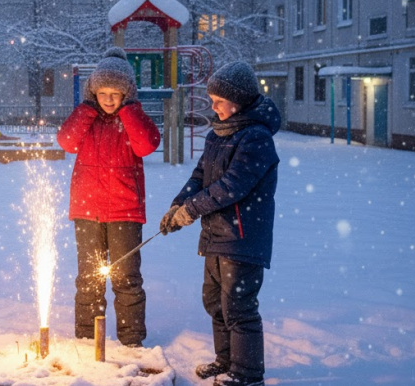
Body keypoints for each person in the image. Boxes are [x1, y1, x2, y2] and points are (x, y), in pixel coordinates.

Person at [160, 61, 280, 386]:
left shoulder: (256, 139)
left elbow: (231, 186)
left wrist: (191, 210)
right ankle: (226, 360)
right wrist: (177, 204)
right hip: (215, 236)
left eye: (218, 101)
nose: (212, 106)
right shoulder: (218, 134)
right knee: (214, 302)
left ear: (238, 101)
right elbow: (200, 175)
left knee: (238, 306)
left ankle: (247, 374)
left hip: (242, 239)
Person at [57, 47, 161, 347]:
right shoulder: (87, 118)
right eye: (102, 92)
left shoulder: (132, 118)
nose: (109, 99)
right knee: (89, 279)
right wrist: (86, 109)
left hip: (124, 211)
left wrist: (129, 111)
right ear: (94, 91)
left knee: (126, 279)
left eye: (116, 93)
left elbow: (146, 145)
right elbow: (66, 140)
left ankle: (130, 340)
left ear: (127, 93)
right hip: (87, 210)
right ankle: (88, 339)